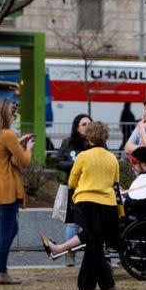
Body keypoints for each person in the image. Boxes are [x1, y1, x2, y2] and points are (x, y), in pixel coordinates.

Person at [42, 121, 119, 290]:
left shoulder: (83, 156)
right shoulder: (112, 157)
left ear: (89, 136)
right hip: (108, 204)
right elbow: (115, 180)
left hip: (86, 203)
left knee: (94, 242)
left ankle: (107, 283)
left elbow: (72, 181)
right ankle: (85, 284)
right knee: (95, 241)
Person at [0, 99, 34, 285]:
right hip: (8, 189)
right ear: (6, 114)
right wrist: (28, 148)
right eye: (12, 114)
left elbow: (3, 154)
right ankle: (1, 272)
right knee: (6, 231)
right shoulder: (8, 135)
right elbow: (24, 162)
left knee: (12, 228)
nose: (14, 117)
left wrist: (18, 142)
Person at [55, 113, 92, 267]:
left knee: (89, 223)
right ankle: (70, 254)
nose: (87, 127)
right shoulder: (68, 142)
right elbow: (58, 162)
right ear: (76, 128)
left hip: (90, 187)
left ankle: (90, 254)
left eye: (90, 123)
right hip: (73, 187)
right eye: (84, 124)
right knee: (73, 223)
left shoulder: (95, 142)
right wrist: (76, 166)